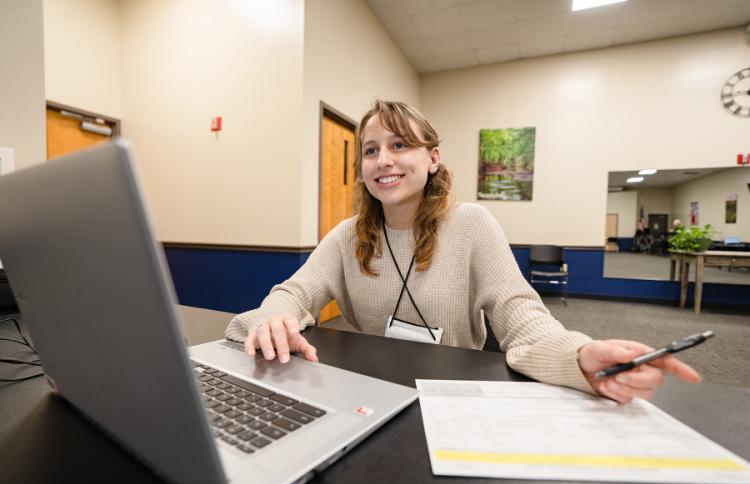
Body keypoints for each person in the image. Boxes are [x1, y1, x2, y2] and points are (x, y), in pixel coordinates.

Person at [225, 100, 700, 404]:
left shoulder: (472, 224)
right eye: (370, 150)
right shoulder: (349, 234)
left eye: (400, 144)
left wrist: (578, 355)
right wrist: (275, 318)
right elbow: (294, 292)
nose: (383, 159)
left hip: (453, 398)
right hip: (367, 393)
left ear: (433, 159)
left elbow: (522, 318)